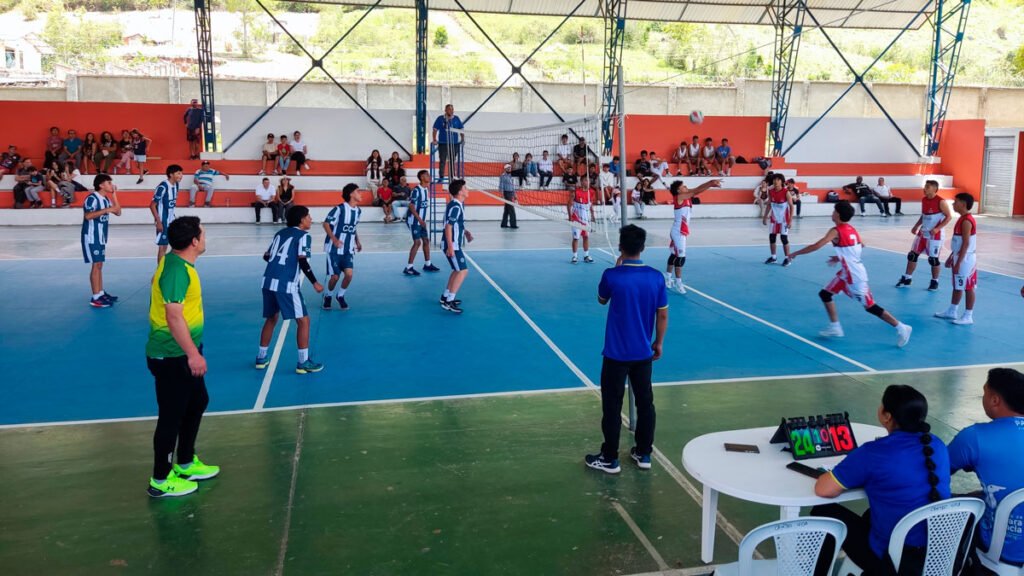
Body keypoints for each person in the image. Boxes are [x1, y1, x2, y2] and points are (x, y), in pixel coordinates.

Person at [810, 385, 950, 575]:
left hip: (892, 562)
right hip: (938, 556)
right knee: (870, 514)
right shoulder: (937, 445)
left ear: (886, 415)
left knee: (824, 511)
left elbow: (824, 489)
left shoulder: (873, 453)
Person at [585, 224, 668, 474]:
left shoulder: (611, 275)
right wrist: (658, 342)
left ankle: (610, 458)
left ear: (621, 247)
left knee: (611, 406)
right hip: (643, 354)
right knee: (646, 404)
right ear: (643, 248)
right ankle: (644, 453)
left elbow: (602, 300)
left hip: (615, 355)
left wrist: (617, 267)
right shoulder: (656, 277)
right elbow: (662, 316)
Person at [146, 216, 219, 498]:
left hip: (182, 350)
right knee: (171, 415)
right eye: (203, 233)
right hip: (172, 354)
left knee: (198, 400)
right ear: (194, 242)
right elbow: (173, 315)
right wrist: (193, 354)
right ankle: (160, 481)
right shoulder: (178, 271)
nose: (205, 238)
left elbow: (156, 279)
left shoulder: (174, 263)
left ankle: (186, 462)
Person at [788, 201, 913, 347]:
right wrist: (840, 257)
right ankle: (835, 327)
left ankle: (901, 327)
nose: (832, 213)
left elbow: (817, 245)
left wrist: (796, 253)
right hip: (846, 273)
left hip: (854, 275)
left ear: (838, 214)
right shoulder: (851, 228)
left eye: (834, 211)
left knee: (870, 306)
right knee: (825, 294)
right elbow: (861, 245)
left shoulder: (836, 230)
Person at [949, 367, 1024, 566]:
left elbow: (940, 470)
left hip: (1002, 550)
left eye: (985, 392)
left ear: (994, 400)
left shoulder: (975, 437)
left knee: (958, 503)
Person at [255, 205, 325, 374]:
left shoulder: (280, 233)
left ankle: (261, 358)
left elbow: (267, 256)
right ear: (301, 220)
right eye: (308, 216)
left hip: (268, 281)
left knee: (271, 318)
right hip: (286, 285)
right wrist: (315, 282)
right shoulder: (303, 236)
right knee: (303, 320)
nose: (311, 219)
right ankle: (303, 363)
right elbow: (302, 261)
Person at [665, 179, 722, 294]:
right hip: (678, 232)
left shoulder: (684, 195)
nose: (686, 186)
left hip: (680, 231)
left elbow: (697, 188)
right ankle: (678, 282)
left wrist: (710, 183)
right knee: (681, 257)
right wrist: (710, 183)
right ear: (678, 190)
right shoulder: (680, 197)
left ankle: (667, 276)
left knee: (673, 254)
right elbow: (696, 191)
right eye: (683, 186)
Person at [896, 180, 951, 290]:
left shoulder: (941, 202)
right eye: (925, 186)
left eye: (927, 187)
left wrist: (937, 228)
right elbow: (924, 216)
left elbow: (949, 217)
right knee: (912, 255)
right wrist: (916, 226)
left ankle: (935, 281)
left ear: (935, 189)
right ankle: (907, 278)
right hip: (922, 233)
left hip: (935, 235)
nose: (924, 189)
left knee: (933, 260)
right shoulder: (924, 200)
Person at [935, 193, 978, 325]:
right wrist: (951, 257)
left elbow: (966, 243)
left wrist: (959, 262)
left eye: (955, 202)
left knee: (968, 287)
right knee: (958, 285)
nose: (953, 204)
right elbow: (958, 243)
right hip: (959, 256)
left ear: (963, 204)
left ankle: (968, 315)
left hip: (965, 259)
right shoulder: (961, 219)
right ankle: (952, 311)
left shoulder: (966, 221)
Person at [82, 174, 122, 308]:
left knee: (99, 265)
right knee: (96, 265)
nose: (112, 185)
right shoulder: (92, 198)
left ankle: (100, 293)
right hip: (92, 237)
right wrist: (107, 210)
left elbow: (118, 212)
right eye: (109, 183)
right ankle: (95, 297)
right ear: (101, 185)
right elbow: (88, 216)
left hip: (101, 237)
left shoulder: (105, 199)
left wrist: (114, 194)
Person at [322, 183, 362, 311]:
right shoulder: (340, 209)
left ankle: (340, 296)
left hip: (348, 249)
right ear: (351, 194)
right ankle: (328, 296)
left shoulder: (358, 211)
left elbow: (353, 228)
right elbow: (326, 224)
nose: (360, 194)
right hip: (333, 249)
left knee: (349, 274)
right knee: (335, 277)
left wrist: (357, 241)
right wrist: (334, 239)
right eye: (358, 191)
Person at [441, 179, 473, 314]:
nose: (468, 190)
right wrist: (450, 247)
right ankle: (449, 302)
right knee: (463, 271)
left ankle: (445, 297)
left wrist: (465, 232)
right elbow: (448, 226)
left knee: (456, 270)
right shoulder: (455, 206)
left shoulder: (457, 204)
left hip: (453, 244)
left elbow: (454, 224)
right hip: (452, 245)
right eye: (465, 188)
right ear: (460, 192)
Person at [404, 170, 441, 276]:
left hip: (422, 221)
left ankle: (427, 264)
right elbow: (411, 206)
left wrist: (423, 220)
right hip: (415, 221)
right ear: (421, 177)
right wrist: (420, 220)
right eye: (427, 175)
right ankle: (409, 267)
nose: (429, 176)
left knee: (426, 240)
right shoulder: (416, 190)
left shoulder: (426, 189)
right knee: (417, 243)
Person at [150, 164, 183, 263]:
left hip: (171, 220)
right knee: (163, 247)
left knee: (177, 244)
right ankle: (160, 272)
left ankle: (170, 266)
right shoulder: (163, 187)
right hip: (163, 221)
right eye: (179, 173)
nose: (181, 176)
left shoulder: (176, 185)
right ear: (171, 174)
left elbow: (171, 205)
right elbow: (152, 205)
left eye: (181, 173)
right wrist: (158, 221)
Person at [762, 173, 794, 266]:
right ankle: (773, 257)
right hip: (774, 219)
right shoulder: (771, 191)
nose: (776, 181)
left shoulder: (786, 192)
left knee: (784, 239)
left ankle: (787, 258)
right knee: (772, 238)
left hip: (784, 220)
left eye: (778, 180)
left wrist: (790, 220)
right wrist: (765, 217)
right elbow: (768, 204)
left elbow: (791, 206)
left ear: (782, 181)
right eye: (774, 179)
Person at [568, 175, 597, 264]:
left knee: (586, 237)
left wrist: (592, 215)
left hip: (586, 220)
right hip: (576, 219)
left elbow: (590, 204)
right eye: (585, 180)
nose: (587, 182)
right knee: (576, 238)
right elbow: (569, 204)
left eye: (588, 181)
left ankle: (586, 256)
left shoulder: (591, 192)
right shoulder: (575, 192)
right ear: (581, 182)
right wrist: (569, 216)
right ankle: (575, 256)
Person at [433, 104, 463, 180]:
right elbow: (435, 129)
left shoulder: (456, 119)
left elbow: (461, 129)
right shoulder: (440, 119)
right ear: (445, 110)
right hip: (443, 143)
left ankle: (452, 176)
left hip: (454, 144)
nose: (451, 111)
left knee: (452, 160)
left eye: (452, 109)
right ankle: (441, 176)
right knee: (442, 160)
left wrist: (462, 139)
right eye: (449, 109)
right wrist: (434, 139)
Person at [499, 163, 518, 229]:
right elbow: (501, 186)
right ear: (505, 169)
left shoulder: (511, 176)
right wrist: (501, 194)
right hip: (506, 193)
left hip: (511, 193)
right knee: (511, 209)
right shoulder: (503, 176)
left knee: (507, 210)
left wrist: (515, 195)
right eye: (508, 168)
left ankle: (503, 224)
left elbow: (513, 187)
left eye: (510, 168)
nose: (509, 169)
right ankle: (513, 225)